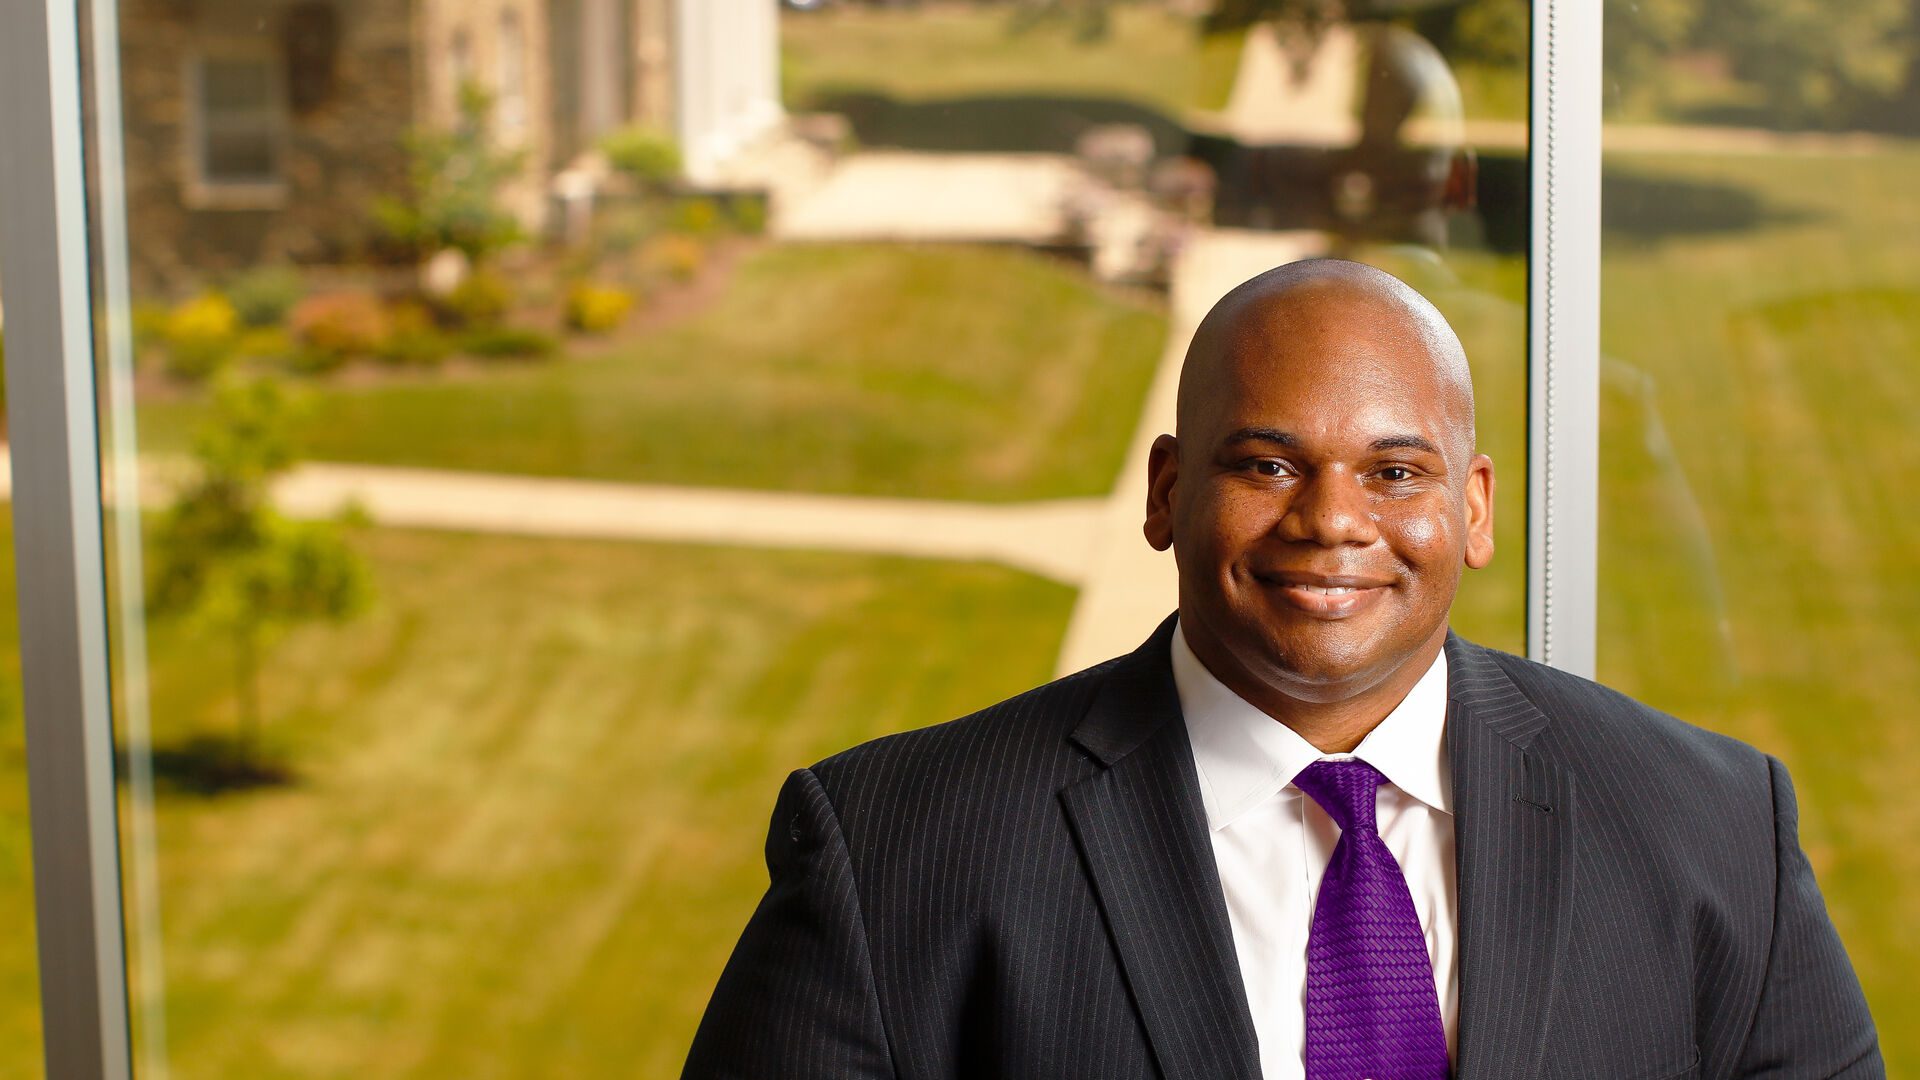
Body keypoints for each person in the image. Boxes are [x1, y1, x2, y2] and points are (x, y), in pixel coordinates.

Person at [682, 260, 1881, 1079]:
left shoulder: (1718, 833)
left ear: (1474, 510)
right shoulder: (891, 853)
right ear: (1166, 492)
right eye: (1267, 464)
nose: (1334, 521)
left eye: (1397, 472)